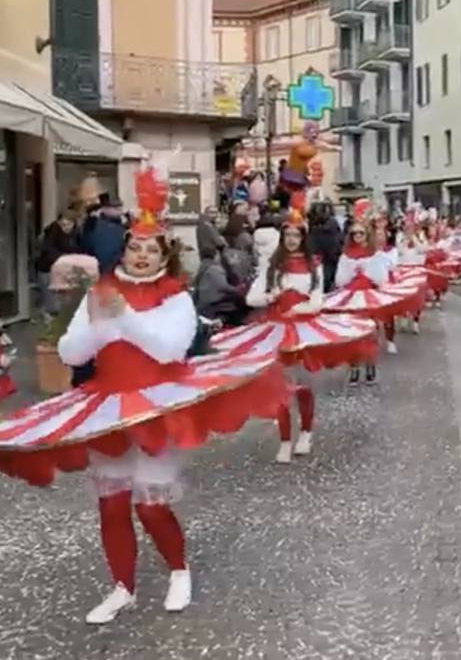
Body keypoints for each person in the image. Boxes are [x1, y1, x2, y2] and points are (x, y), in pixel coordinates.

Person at [0, 166, 285, 624]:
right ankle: (122, 587)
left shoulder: (175, 297)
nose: (139, 256)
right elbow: (72, 352)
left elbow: (170, 348)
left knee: (151, 506)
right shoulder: (102, 292)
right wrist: (101, 324)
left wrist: (123, 320)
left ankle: (178, 570)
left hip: (157, 405)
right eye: (134, 247)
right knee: (111, 505)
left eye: (149, 250)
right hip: (106, 403)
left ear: (163, 258)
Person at [211, 194, 377, 462]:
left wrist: (299, 308)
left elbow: (317, 301)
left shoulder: (314, 266)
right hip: (275, 330)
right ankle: (285, 440)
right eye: (287, 234)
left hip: (303, 331)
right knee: (279, 388)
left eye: (296, 235)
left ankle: (306, 433)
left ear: (303, 237)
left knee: (303, 387)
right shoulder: (272, 265)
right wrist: (271, 296)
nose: (291, 240)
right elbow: (252, 297)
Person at [326, 200, 424, 384]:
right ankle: (354, 367)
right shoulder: (346, 255)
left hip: (369, 296)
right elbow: (340, 280)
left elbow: (380, 279)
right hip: (352, 297)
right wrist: (352, 272)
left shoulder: (375, 254)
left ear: (366, 235)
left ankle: (370, 365)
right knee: (352, 332)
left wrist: (367, 271)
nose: (357, 237)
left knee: (371, 332)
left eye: (361, 233)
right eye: (354, 233)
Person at [36, 210, 81, 313]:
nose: (65, 227)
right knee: (52, 303)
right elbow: (47, 249)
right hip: (48, 269)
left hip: (65, 270)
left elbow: (78, 248)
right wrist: (63, 257)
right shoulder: (53, 231)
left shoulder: (76, 233)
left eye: (68, 224)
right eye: (63, 224)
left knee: (64, 302)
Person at [193, 242, 247, 326]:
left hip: (202, 303)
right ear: (215, 255)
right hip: (213, 304)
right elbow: (223, 287)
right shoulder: (214, 269)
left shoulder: (203, 267)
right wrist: (238, 289)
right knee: (238, 298)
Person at [83, 196, 127, 276]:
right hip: (97, 269)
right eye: (114, 207)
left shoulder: (124, 226)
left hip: (118, 270)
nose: (119, 209)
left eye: (120, 206)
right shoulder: (93, 223)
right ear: (104, 208)